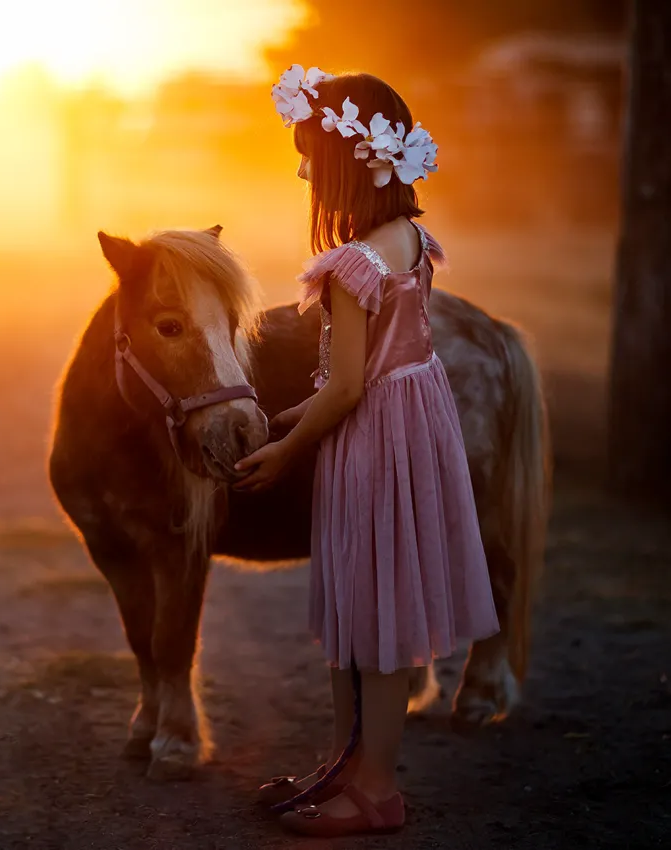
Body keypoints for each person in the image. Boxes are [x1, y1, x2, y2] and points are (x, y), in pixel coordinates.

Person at [233, 66, 500, 838]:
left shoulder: (351, 266)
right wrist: (287, 416)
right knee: (369, 608)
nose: (301, 169)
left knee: (371, 615)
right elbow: (372, 366)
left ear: (350, 160)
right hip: (410, 425)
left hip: (375, 438)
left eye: (310, 156)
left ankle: (375, 790)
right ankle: (346, 766)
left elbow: (348, 388)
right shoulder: (408, 239)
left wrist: (285, 453)